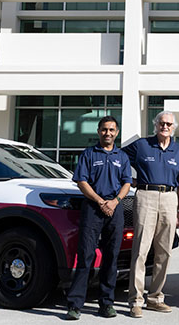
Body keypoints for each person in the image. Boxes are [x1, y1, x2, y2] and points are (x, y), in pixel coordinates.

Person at [122, 110, 179, 318]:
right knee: (141, 250)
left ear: (174, 127)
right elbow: (118, 159)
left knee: (164, 251)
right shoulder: (141, 145)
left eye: (169, 124)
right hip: (146, 196)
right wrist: (129, 182)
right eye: (161, 123)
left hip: (170, 199)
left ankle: (155, 298)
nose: (165, 126)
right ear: (156, 125)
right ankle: (136, 300)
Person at [66, 115, 132, 320]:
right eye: (104, 129)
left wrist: (114, 202)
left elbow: (127, 183)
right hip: (93, 210)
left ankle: (106, 304)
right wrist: (100, 201)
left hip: (115, 210)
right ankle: (75, 305)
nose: (108, 133)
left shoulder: (122, 157)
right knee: (85, 257)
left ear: (117, 133)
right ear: (98, 131)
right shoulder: (88, 154)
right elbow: (81, 182)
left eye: (112, 130)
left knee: (111, 258)